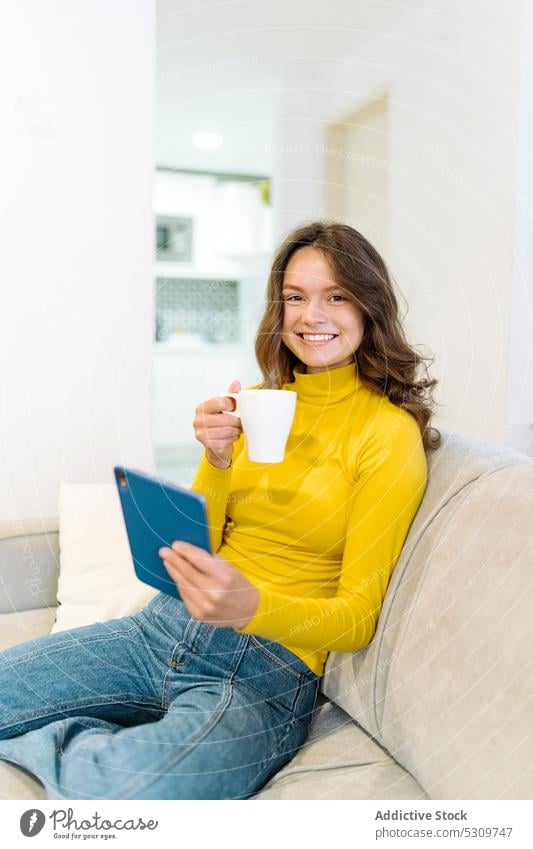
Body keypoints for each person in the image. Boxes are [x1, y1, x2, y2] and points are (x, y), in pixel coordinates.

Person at [0, 220, 440, 800]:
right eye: (295, 298)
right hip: (163, 627)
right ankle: (93, 732)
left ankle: (75, 742)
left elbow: (357, 618)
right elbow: (196, 542)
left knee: (136, 787)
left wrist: (252, 606)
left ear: (369, 307)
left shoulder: (387, 434)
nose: (313, 316)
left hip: (267, 670)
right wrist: (217, 458)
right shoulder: (254, 405)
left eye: (336, 296)